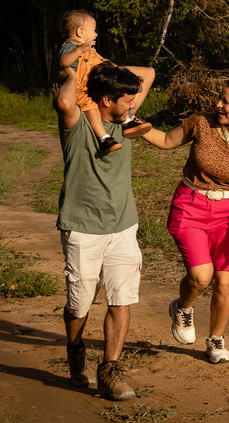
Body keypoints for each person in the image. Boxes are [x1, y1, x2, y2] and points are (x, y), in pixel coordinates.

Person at [141, 76, 229, 364]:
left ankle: (216, 340)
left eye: (225, 101)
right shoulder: (201, 123)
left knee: (225, 281)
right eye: (219, 98)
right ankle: (182, 307)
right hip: (190, 205)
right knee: (201, 277)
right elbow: (166, 141)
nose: (217, 104)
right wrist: (135, 125)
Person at [54, 60, 155, 400]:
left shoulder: (128, 122)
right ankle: (75, 347)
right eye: (127, 100)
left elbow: (149, 73)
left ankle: (110, 369)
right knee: (80, 303)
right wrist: (75, 69)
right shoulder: (78, 121)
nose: (133, 105)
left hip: (123, 225)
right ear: (106, 100)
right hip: (82, 228)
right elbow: (64, 100)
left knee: (120, 298)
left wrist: (97, 62)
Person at [58, 9, 155, 154]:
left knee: (121, 92)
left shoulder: (89, 49)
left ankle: (128, 122)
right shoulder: (71, 47)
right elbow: (64, 62)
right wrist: (79, 51)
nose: (96, 34)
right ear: (80, 32)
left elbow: (101, 61)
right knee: (92, 111)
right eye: (93, 30)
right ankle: (105, 139)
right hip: (82, 90)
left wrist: (116, 69)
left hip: (97, 83)